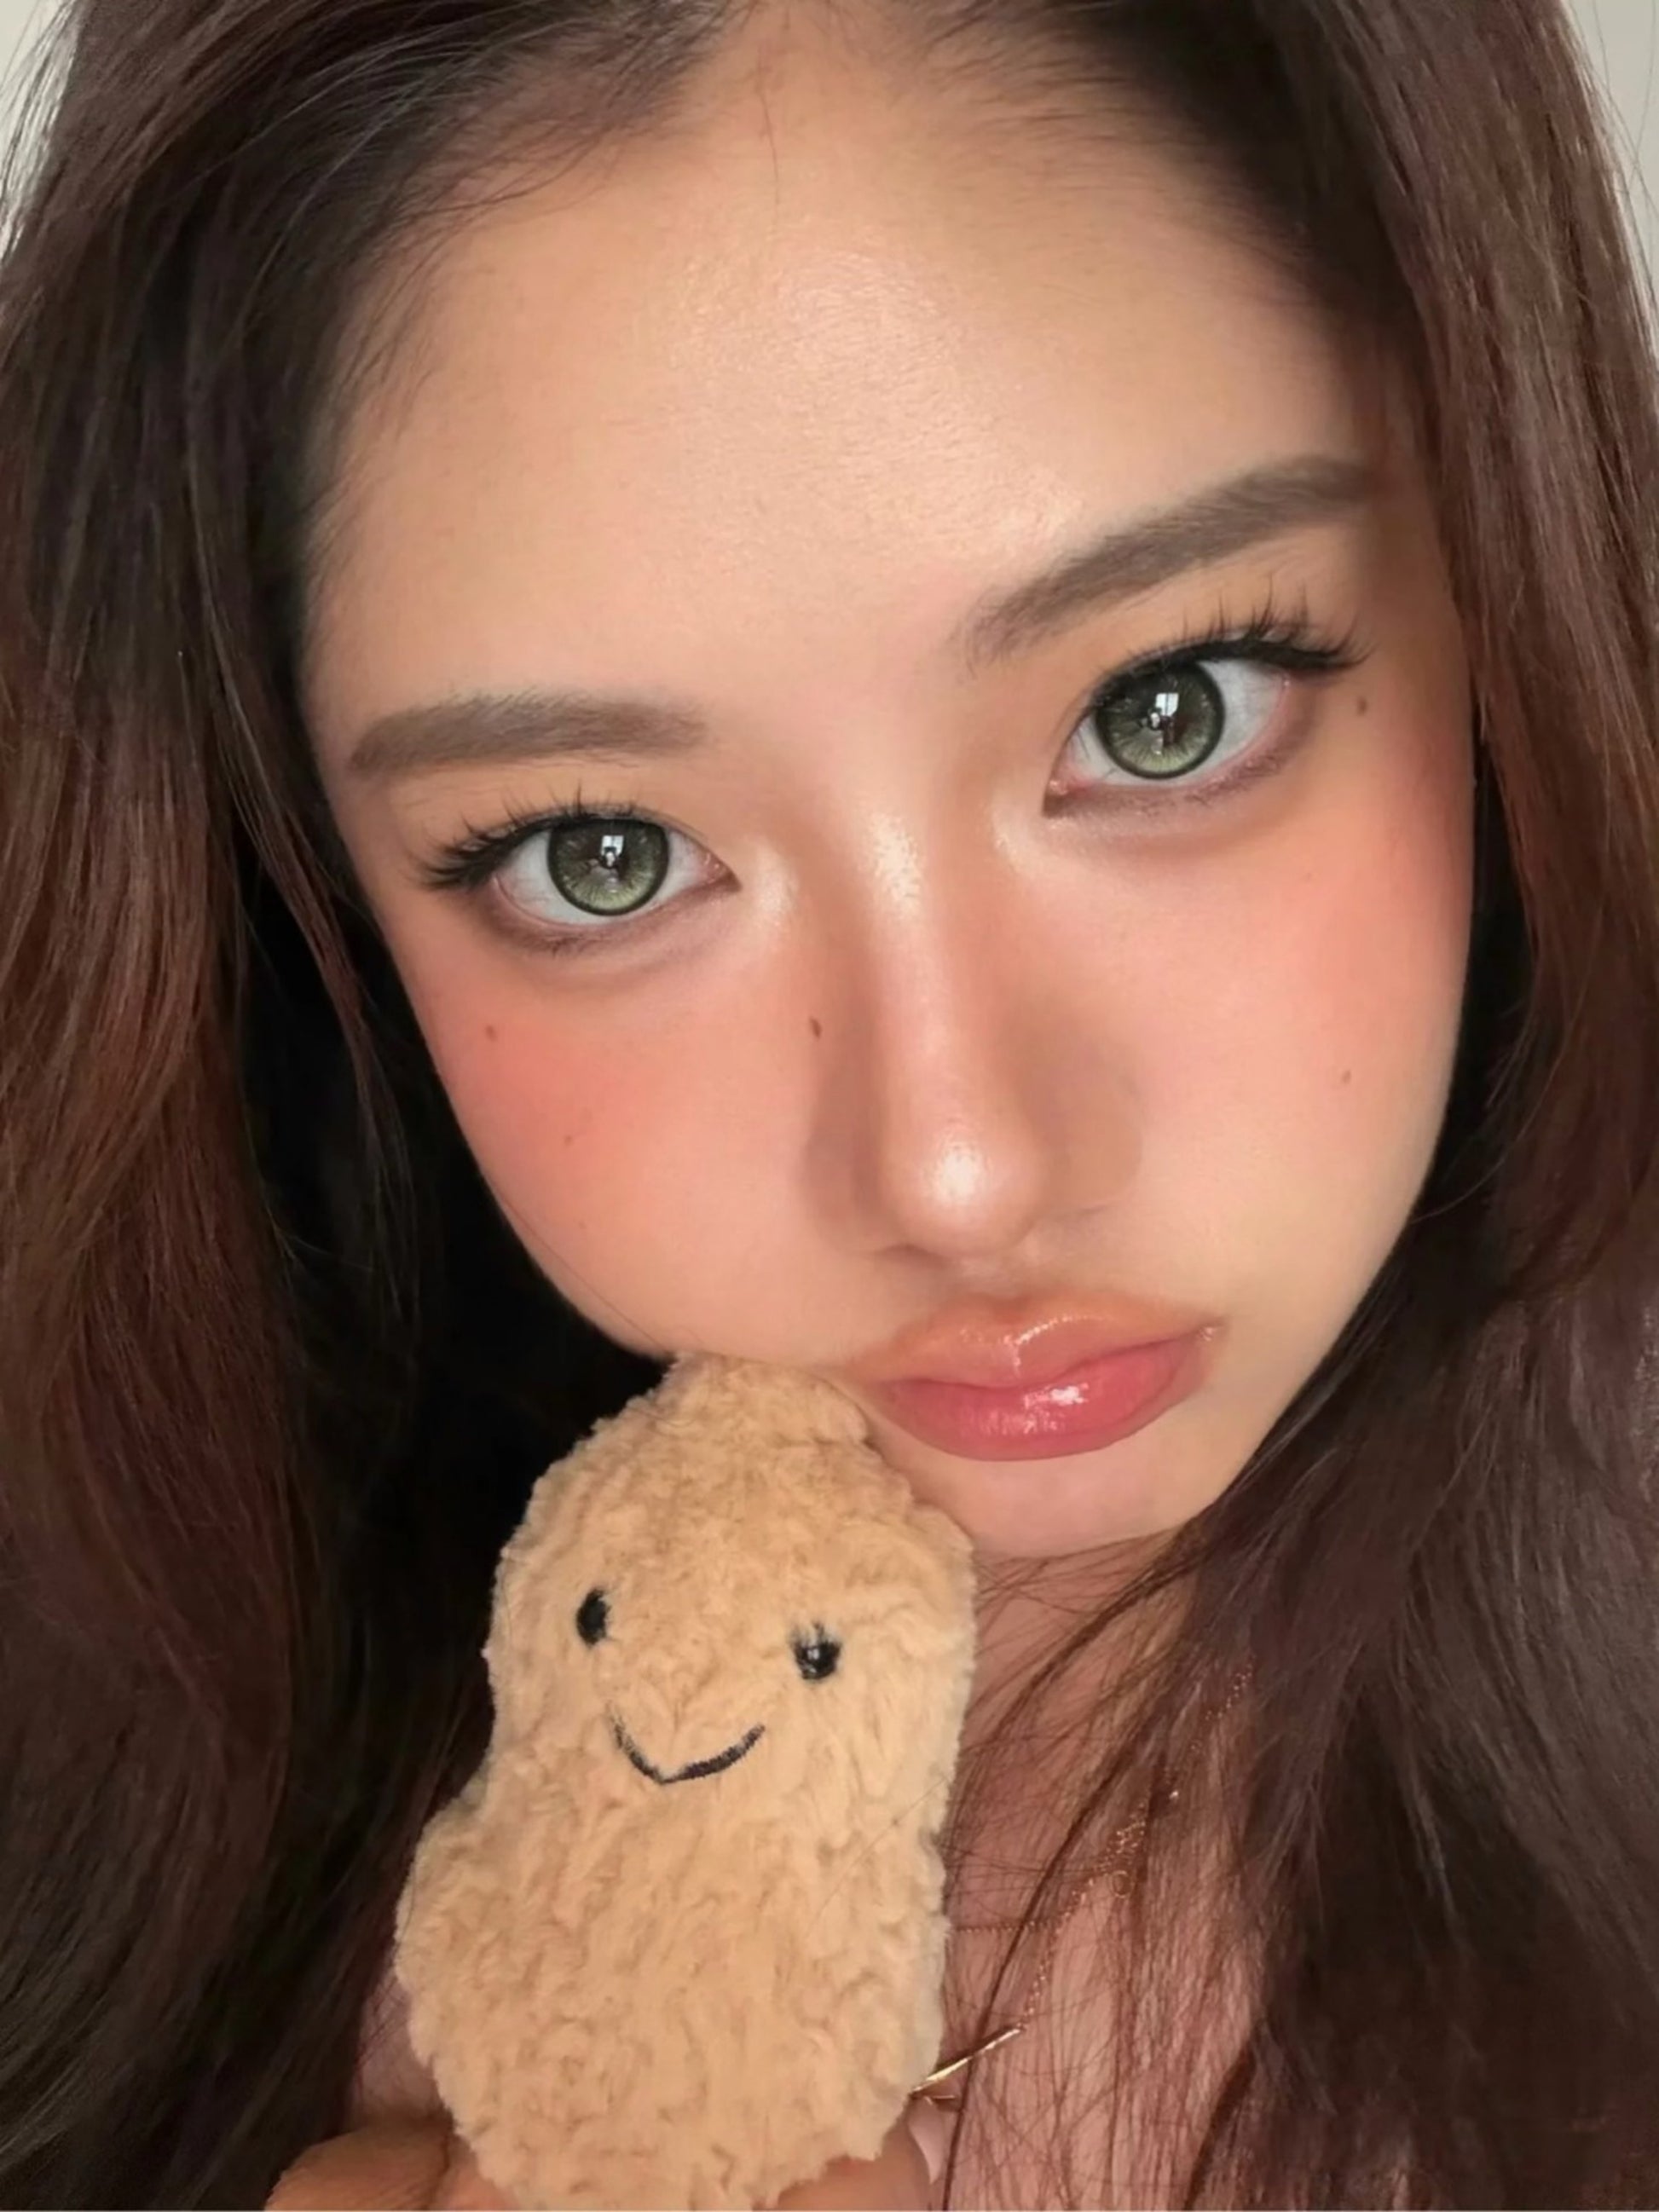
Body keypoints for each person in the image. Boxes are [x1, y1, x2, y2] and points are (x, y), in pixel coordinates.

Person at [3, 0, 1659, 2203]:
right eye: (602, 854)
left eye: (1164, 712)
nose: (957, 1164)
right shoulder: (163, 1831)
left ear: (1506, 589)